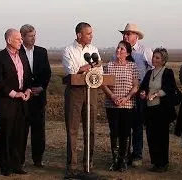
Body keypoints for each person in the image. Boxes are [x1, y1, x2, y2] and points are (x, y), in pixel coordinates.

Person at [62, 22, 103, 178]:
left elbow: (99, 70)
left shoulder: (93, 50)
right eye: (88, 33)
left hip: (91, 91)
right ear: (79, 34)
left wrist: (88, 67)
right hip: (75, 92)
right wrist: (87, 66)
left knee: (91, 128)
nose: (91, 36)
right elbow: (71, 71)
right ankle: (72, 166)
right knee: (73, 129)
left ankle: (88, 164)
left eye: (92, 33)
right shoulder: (68, 50)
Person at [0, 28, 32, 176]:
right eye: (18, 39)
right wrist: (15, 94)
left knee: (19, 135)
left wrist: (28, 90)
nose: (21, 41)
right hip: (6, 102)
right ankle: (6, 167)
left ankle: (17, 165)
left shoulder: (22, 55)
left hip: (22, 102)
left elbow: (27, 76)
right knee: (6, 135)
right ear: (9, 41)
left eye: (21, 39)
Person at [119, 23, 153, 167]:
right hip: (123, 91)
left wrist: (147, 89)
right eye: (124, 33)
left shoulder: (144, 51)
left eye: (129, 33)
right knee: (125, 124)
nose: (125, 36)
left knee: (138, 124)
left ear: (136, 36)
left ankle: (137, 154)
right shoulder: (121, 50)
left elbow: (152, 70)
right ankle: (124, 154)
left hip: (139, 91)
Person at [102, 41, 139, 172]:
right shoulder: (109, 66)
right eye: (118, 48)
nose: (119, 50)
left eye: (122, 49)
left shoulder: (132, 66)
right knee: (114, 132)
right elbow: (103, 84)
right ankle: (115, 160)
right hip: (111, 105)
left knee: (125, 132)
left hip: (127, 104)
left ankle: (123, 160)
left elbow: (136, 86)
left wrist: (126, 98)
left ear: (127, 53)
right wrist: (112, 96)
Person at [139, 48, 177, 172]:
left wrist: (155, 94)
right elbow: (143, 87)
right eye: (153, 57)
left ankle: (163, 163)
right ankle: (155, 163)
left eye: (157, 58)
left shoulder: (167, 72)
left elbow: (169, 89)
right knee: (151, 137)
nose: (154, 59)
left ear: (163, 60)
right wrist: (143, 93)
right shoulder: (149, 73)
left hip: (162, 110)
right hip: (150, 110)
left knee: (162, 137)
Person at [20, 24, 51, 168]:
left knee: (39, 131)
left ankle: (38, 159)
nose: (34, 38)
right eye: (30, 36)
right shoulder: (17, 52)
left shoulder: (41, 52)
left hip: (39, 97)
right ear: (22, 37)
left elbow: (47, 73)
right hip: (22, 97)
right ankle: (19, 159)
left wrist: (41, 87)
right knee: (21, 130)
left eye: (34, 35)